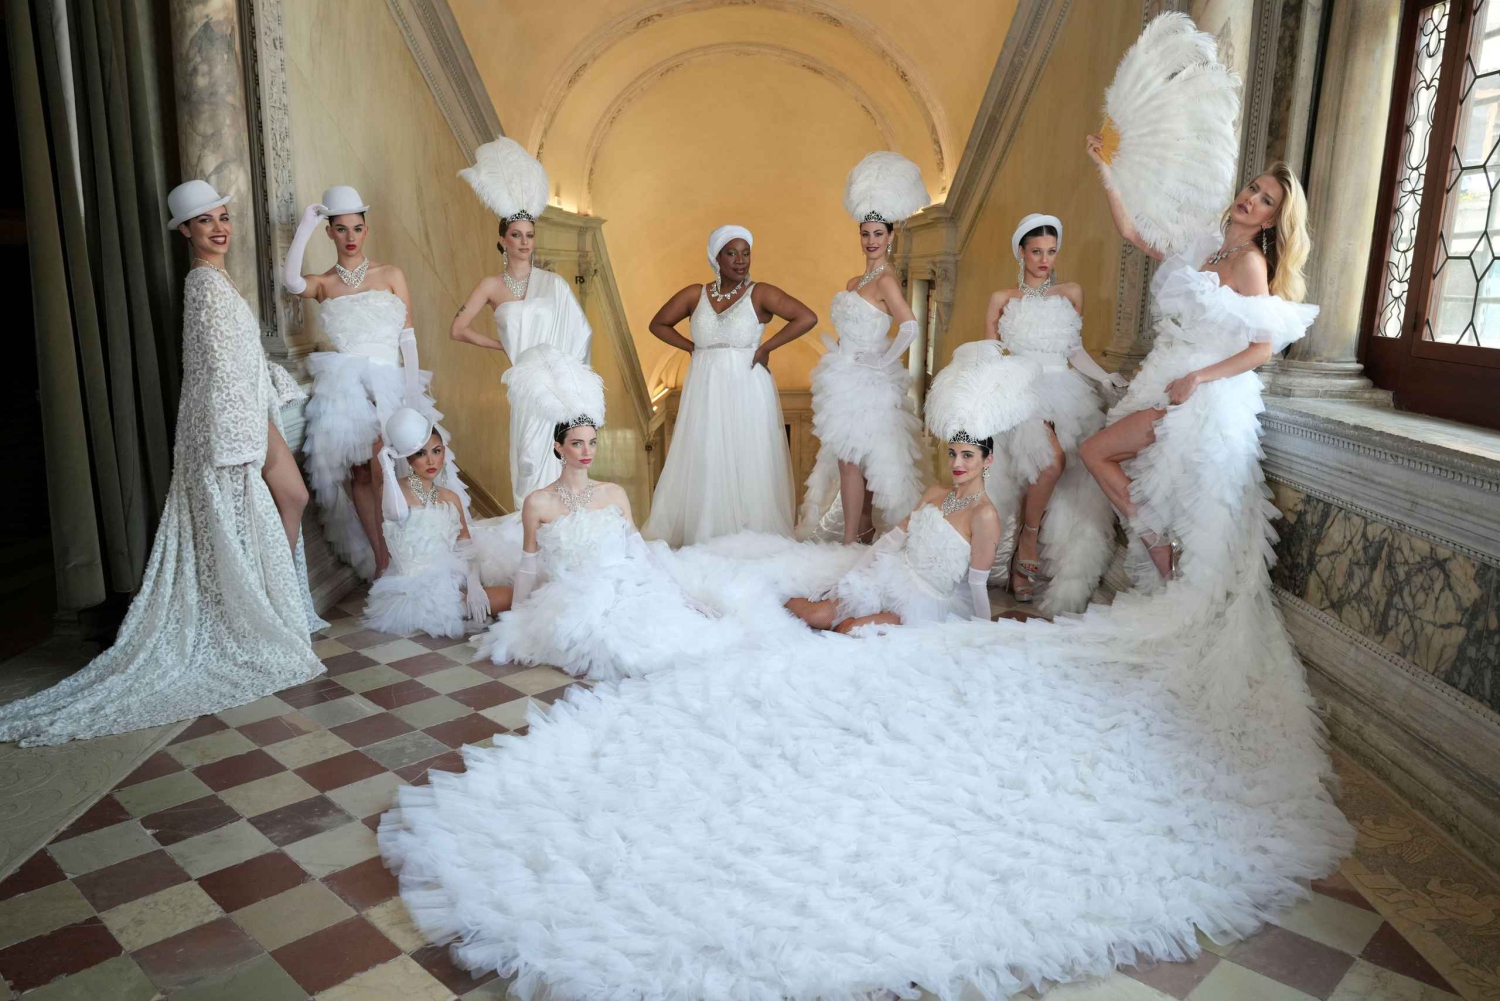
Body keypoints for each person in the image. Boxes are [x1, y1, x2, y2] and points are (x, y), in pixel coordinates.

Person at [0, 181, 325, 746]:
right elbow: (211, 372)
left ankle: (278, 605)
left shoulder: (218, 279)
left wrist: (269, 396)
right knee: (274, 506)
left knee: (293, 497)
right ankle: (266, 614)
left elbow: (239, 359)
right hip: (229, 427)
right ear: (185, 232)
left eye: (222, 217)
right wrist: (233, 445)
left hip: (253, 411)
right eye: (205, 221)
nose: (219, 228)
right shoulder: (202, 285)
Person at [1077, 144, 1317, 591]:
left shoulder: (1250, 263)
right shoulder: (1208, 246)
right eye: (1253, 188)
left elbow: (1262, 349)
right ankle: (1160, 550)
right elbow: (1134, 233)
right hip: (1169, 375)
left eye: (1265, 200)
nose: (1251, 199)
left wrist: (1197, 378)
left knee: (1095, 452)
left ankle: (1162, 554)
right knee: (1104, 457)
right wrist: (1107, 172)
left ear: (1270, 220)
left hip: (1202, 391)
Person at [283, 185, 465, 580]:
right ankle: (382, 560)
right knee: (362, 474)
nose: (350, 237)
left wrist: (412, 392)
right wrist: (305, 227)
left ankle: (409, 554)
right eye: (341, 229)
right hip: (346, 389)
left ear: (366, 230)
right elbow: (291, 282)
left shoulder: (391, 274)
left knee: (393, 468)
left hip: (391, 384)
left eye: (357, 228)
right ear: (330, 233)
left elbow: (407, 336)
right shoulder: (324, 283)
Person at [980, 213, 1123, 613]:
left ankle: (1033, 553)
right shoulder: (1002, 298)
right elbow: (992, 356)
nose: (1045, 260)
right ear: (1021, 252)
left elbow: (1074, 351)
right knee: (1050, 462)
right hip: (1022, 390)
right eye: (1037, 252)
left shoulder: (1071, 293)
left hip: (1067, 391)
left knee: (1067, 474)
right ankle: (1026, 540)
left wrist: (1105, 377)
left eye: (1051, 251)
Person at [640, 226, 817, 546]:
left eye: (746, 253)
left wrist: (766, 347)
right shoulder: (695, 294)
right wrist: (692, 348)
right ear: (716, 257)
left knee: (746, 455)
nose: (740, 260)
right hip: (705, 387)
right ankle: (706, 530)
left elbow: (806, 317)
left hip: (747, 384)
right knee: (707, 454)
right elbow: (658, 324)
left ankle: (749, 533)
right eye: (732, 253)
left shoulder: (760, 293)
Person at [449, 138, 593, 510]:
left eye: (530, 235)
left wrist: (571, 385)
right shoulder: (490, 286)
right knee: (529, 461)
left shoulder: (554, 284)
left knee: (561, 458)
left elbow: (580, 333)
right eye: (516, 235)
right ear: (503, 240)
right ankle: (533, 526)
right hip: (525, 387)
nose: (524, 242)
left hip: (558, 387)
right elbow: (458, 329)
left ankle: (562, 524)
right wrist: (499, 346)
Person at [797, 152, 928, 545]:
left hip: (869, 381)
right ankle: (860, 531)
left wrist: (881, 359)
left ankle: (852, 538)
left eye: (878, 234)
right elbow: (849, 327)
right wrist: (843, 351)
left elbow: (910, 326)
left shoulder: (886, 280)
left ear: (890, 237)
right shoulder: (855, 282)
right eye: (865, 234)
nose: (871, 241)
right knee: (849, 457)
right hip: (844, 376)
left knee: (855, 459)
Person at [361, 409, 512, 639]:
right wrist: (386, 466)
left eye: (437, 451)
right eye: (421, 454)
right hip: (413, 590)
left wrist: (474, 585)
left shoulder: (450, 497)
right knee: (504, 600)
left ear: (444, 452)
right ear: (408, 458)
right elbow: (396, 514)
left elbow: (466, 548)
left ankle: (468, 604)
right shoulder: (393, 492)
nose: (431, 461)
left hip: (452, 578)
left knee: (511, 594)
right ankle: (455, 610)